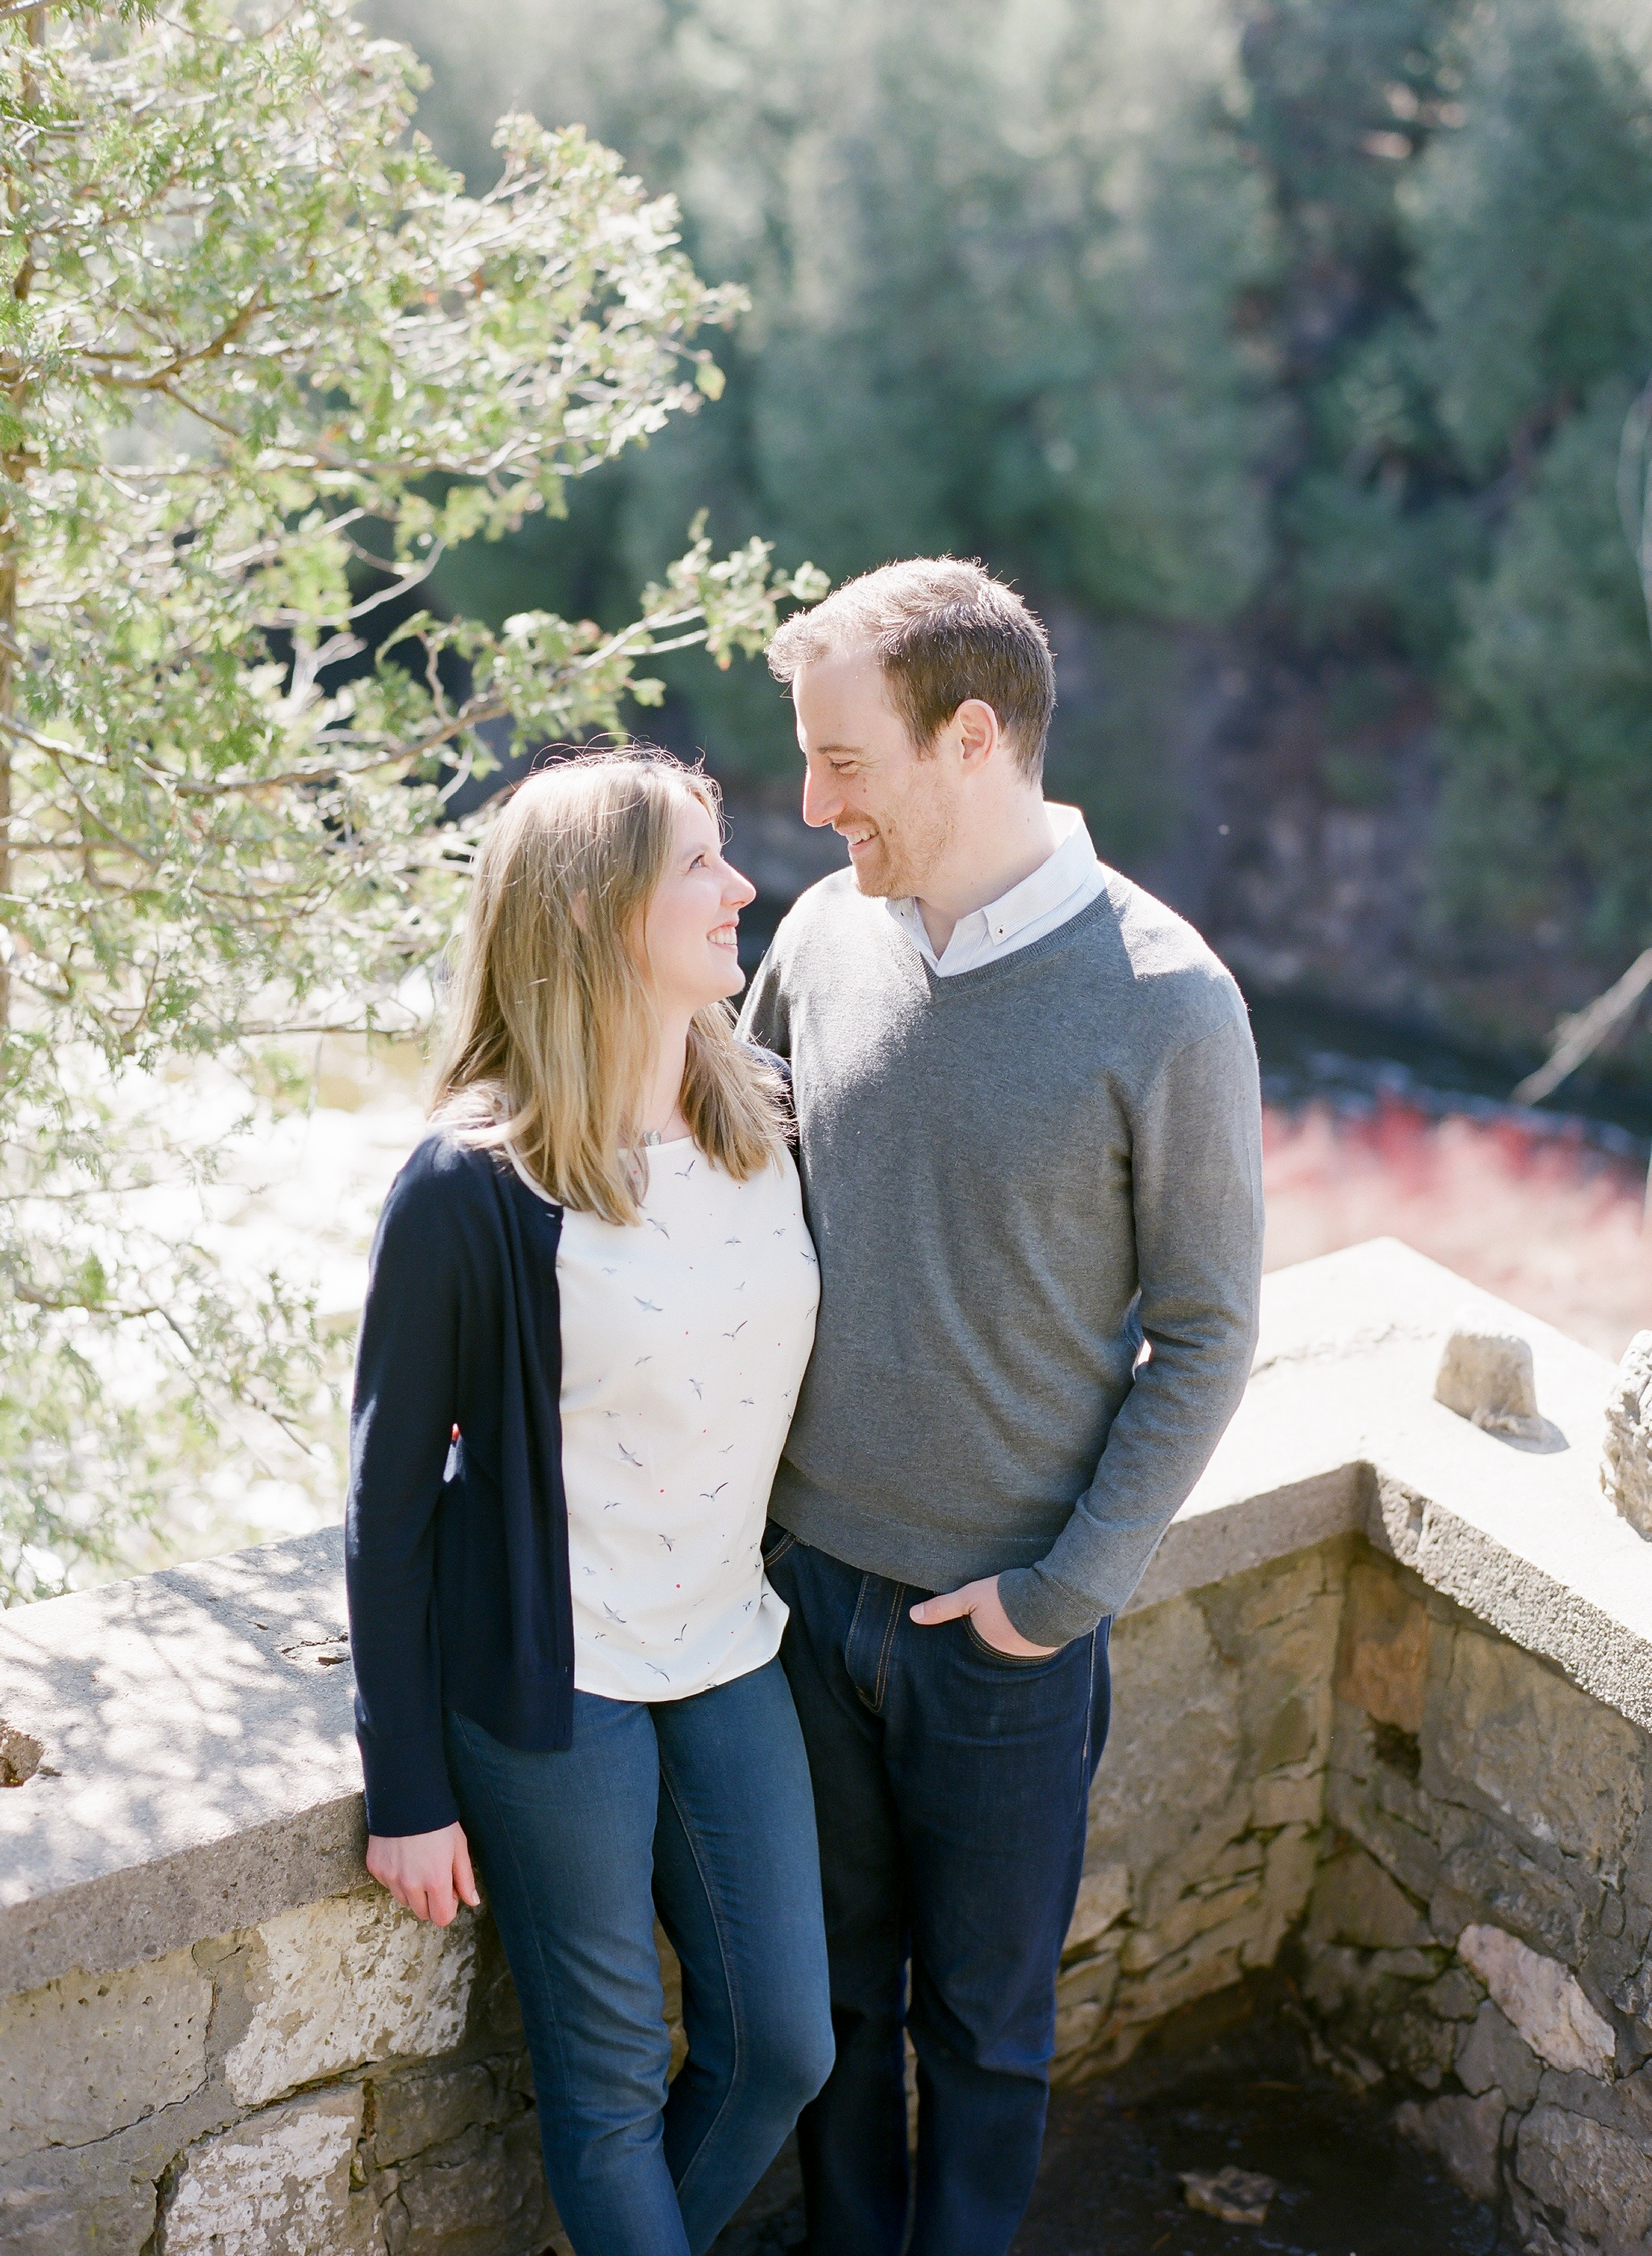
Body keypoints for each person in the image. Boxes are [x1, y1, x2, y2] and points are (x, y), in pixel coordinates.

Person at [739, 558, 1266, 2256]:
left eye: (845, 765)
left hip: (1003, 1641)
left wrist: (1053, 1604)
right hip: (797, 1601)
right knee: (827, 2021)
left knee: (985, 2037)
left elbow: (1204, 1332)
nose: (811, 808)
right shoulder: (820, 939)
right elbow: (719, 1196)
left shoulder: (1168, 1001)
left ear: (970, 738)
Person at [345, 752, 834, 2256]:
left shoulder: (763, 1122)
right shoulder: (472, 1186)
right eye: (701, 863)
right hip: (554, 1691)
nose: (743, 885)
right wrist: (408, 1786)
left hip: (729, 1644)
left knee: (783, 2050)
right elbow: (386, 1502)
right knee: (611, 2081)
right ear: (595, 909)